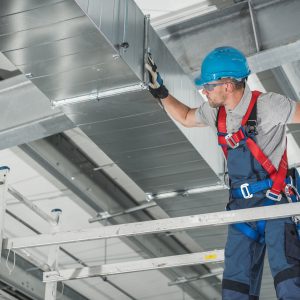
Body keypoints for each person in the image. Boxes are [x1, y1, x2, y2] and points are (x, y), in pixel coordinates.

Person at [145, 46, 300, 300]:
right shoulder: (216, 111)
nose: (204, 92)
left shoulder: (269, 105)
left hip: (276, 203)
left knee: (289, 280)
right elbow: (185, 116)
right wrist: (161, 93)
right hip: (241, 209)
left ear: (227, 86)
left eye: (208, 86)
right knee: (235, 287)